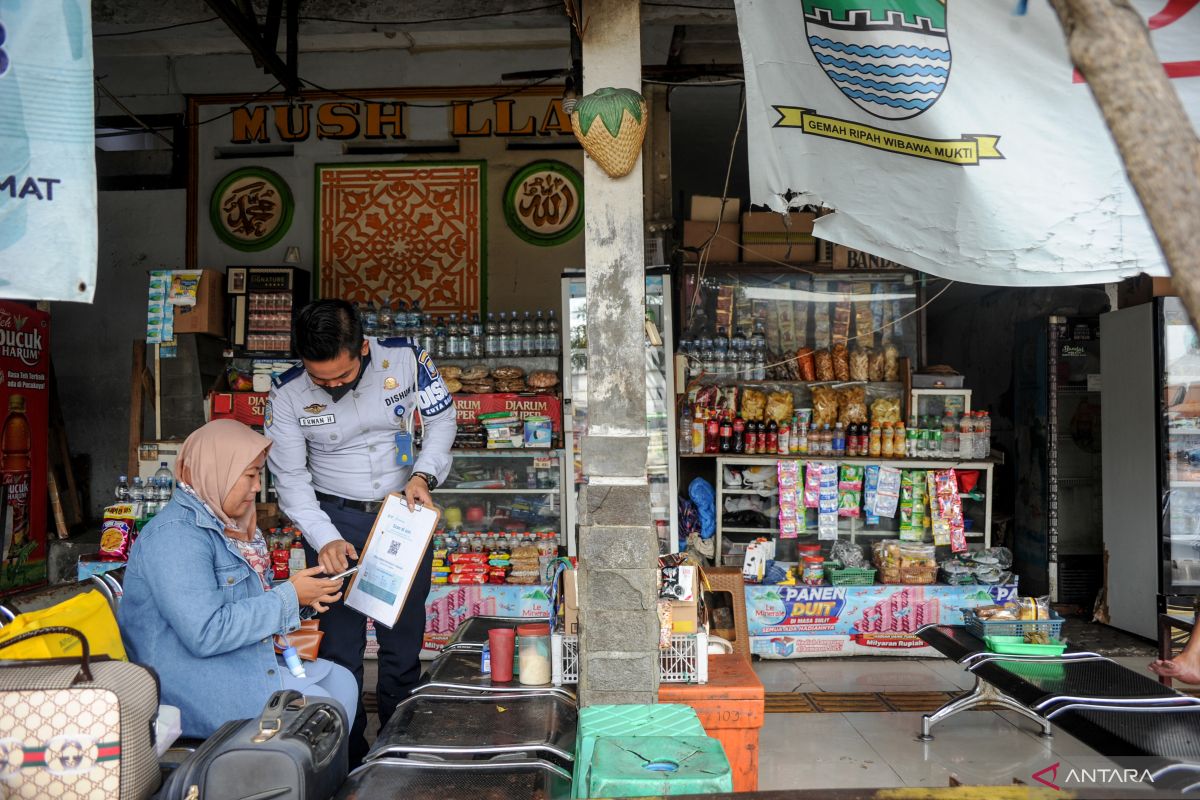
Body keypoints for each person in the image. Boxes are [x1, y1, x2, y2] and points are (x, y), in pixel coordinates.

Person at [266, 299, 456, 765]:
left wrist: (423, 476)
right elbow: (290, 479)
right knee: (339, 649)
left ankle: (398, 750)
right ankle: (345, 759)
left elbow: (442, 419)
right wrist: (324, 536)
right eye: (320, 380)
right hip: (333, 520)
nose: (331, 387)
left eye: (342, 377)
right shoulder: (286, 393)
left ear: (363, 350)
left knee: (402, 642)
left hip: (401, 513)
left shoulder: (406, 360)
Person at [119, 419, 358, 738]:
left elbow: (242, 602)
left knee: (343, 683)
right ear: (216, 472)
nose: (257, 487)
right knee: (322, 710)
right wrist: (288, 597)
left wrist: (302, 599)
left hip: (237, 659)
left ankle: (321, 781)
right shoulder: (176, 538)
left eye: (258, 475)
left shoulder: (227, 528)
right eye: (249, 476)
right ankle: (292, 782)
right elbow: (205, 632)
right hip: (193, 680)